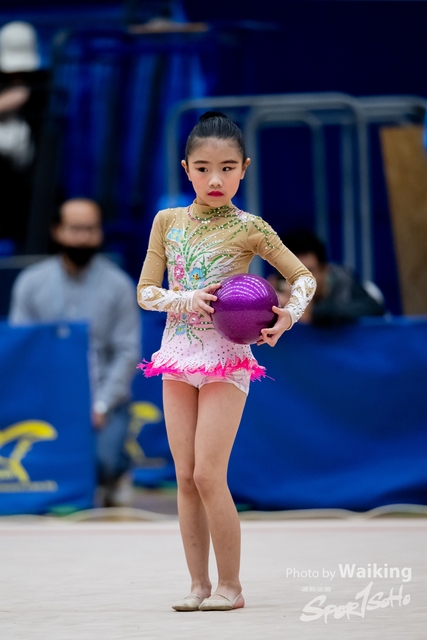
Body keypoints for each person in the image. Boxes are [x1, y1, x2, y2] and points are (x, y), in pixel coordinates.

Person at [136, 112, 316, 612]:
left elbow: (303, 278)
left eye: (227, 168)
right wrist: (187, 298)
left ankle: (230, 587)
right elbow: (146, 293)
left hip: (225, 357)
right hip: (177, 354)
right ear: (186, 169)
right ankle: (198, 585)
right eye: (203, 168)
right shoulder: (167, 222)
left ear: (244, 169)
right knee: (185, 476)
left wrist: (288, 317)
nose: (215, 179)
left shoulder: (251, 228)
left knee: (209, 475)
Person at [9, 198, 141, 506]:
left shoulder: (119, 285)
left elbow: (127, 352)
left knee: (103, 463)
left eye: (90, 229)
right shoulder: (31, 283)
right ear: (58, 231)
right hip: (45, 399)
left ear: (100, 233)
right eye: (75, 229)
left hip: (103, 400)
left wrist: (101, 404)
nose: (83, 237)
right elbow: (22, 349)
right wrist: (43, 403)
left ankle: (117, 471)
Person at [271, 229, 386, 326]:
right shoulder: (277, 291)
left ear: (324, 269)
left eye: (308, 272)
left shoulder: (345, 283)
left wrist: (314, 313)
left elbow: (374, 309)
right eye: (291, 272)